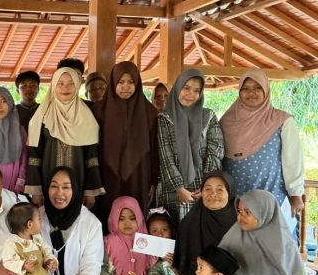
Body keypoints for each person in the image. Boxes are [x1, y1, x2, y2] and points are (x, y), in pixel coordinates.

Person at [220, 69, 304, 223]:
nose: (251, 93)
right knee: (236, 237)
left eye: (258, 87)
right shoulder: (226, 122)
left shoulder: (282, 121)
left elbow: (293, 160)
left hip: (271, 196)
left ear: (266, 90)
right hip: (234, 201)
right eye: (245, 88)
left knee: (270, 236)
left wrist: (296, 194)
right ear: (239, 91)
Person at [38, 167, 107, 275]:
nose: (59, 193)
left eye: (66, 187)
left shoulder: (90, 223)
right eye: (54, 186)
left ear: (75, 189)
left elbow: (91, 265)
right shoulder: (37, 217)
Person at [26, 67, 104, 208]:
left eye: (71, 83)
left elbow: (91, 157)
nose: (65, 88)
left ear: (77, 85)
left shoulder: (86, 116)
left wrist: (90, 191)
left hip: (78, 181)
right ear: (53, 85)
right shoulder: (42, 115)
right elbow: (34, 156)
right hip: (47, 180)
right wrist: (36, 190)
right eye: (60, 83)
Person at [93, 61, 159, 223]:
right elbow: (92, 149)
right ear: (113, 83)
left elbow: (155, 148)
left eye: (131, 82)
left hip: (140, 175)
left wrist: (153, 180)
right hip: (107, 175)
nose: (126, 87)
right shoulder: (99, 111)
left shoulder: (149, 112)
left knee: (137, 216)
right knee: (109, 217)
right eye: (121, 82)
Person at [157, 69, 224, 224]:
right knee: (174, 231)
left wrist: (207, 184)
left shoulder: (208, 117)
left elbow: (216, 150)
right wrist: (179, 188)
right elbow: (165, 156)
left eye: (196, 90)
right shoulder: (164, 119)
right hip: (173, 190)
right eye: (186, 88)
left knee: (201, 229)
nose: (190, 94)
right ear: (177, 88)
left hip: (203, 189)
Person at [174, 171, 237, 275]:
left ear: (230, 193)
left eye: (220, 189)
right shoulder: (189, 222)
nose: (213, 194)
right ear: (201, 193)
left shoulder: (241, 222)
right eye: (208, 189)